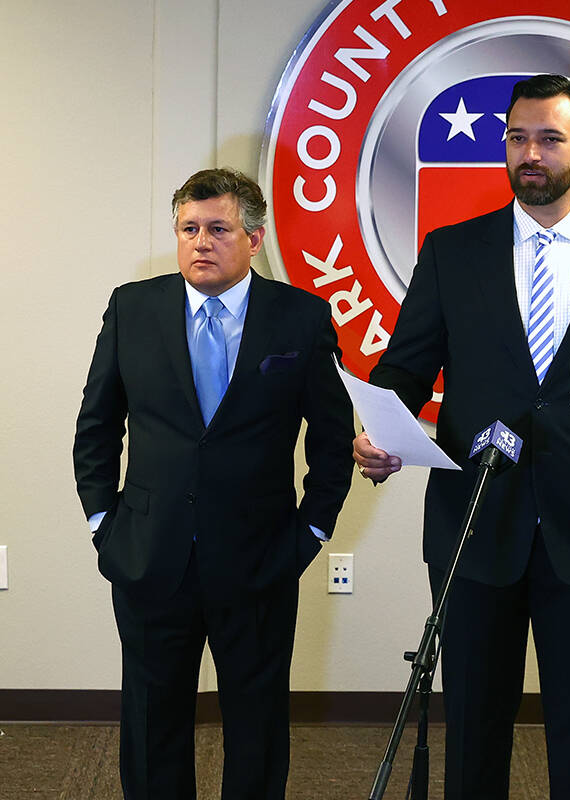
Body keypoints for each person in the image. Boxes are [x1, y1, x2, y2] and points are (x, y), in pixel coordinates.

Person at [353, 74, 570, 798]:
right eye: (516, 138)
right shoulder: (453, 250)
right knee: (475, 726)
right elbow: (405, 368)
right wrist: (379, 432)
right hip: (476, 524)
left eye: (548, 138)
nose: (529, 154)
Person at [73, 168, 353, 799]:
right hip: (149, 555)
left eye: (218, 229)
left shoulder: (302, 319)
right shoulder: (132, 308)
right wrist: (103, 527)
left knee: (256, 728)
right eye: (188, 229)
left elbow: (333, 441)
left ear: (253, 239)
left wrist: (308, 532)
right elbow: (95, 430)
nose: (201, 241)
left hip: (259, 559)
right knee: (152, 723)